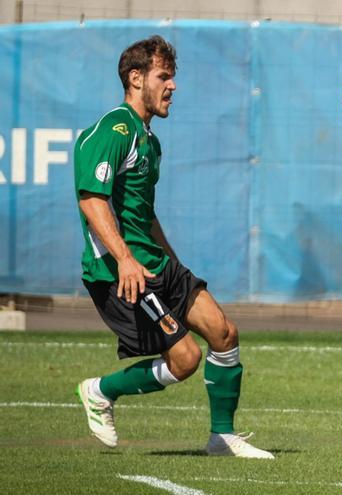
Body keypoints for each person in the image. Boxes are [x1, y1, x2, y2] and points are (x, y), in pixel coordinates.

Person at [73, 35, 273, 459]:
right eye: (164, 76)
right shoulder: (115, 128)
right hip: (120, 273)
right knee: (184, 358)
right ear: (135, 78)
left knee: (224, 332)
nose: (173, 86)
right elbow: (92, 198)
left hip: (155, 263)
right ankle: (99, 391)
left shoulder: (150, 141)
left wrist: (174, 265)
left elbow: (143, 215)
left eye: (173, 77)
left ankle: (222, 438)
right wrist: (125, 259)